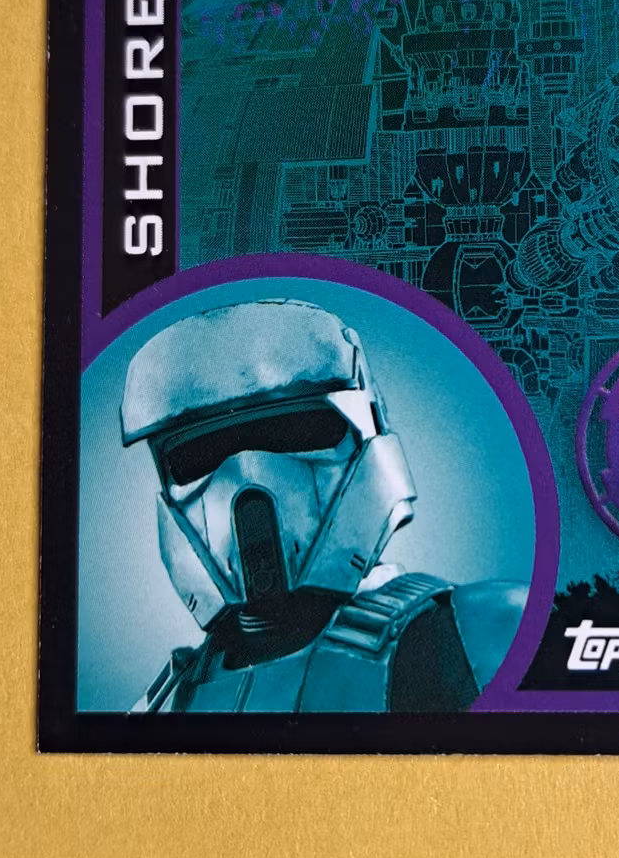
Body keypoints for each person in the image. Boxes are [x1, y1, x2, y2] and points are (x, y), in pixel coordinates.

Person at [121, 298, 526, 712]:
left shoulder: (479, 635)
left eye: (291, 430)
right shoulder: (166, 702)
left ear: (367, 432)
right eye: (203, 453)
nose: (248, 478)